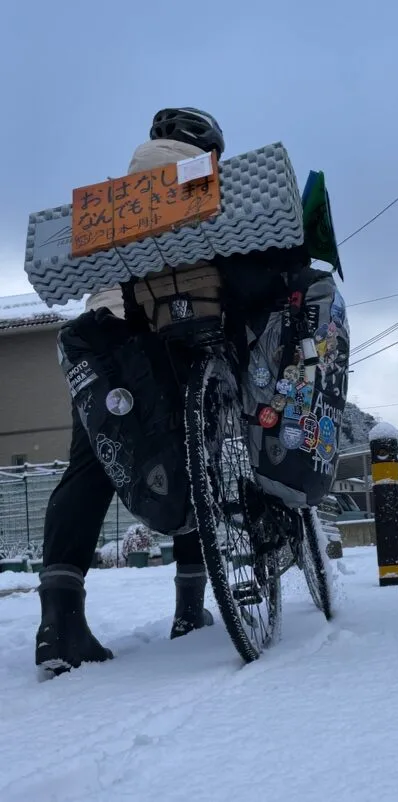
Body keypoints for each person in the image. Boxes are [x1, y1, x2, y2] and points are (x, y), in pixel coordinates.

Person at [35, 108, 226, 676]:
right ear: (208, 148)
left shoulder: (118, 199)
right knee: (197, 454)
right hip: (168, 340)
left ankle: (59, 625)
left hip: (101, 346)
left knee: (87, 471)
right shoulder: (205, 184)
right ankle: (190, 609)